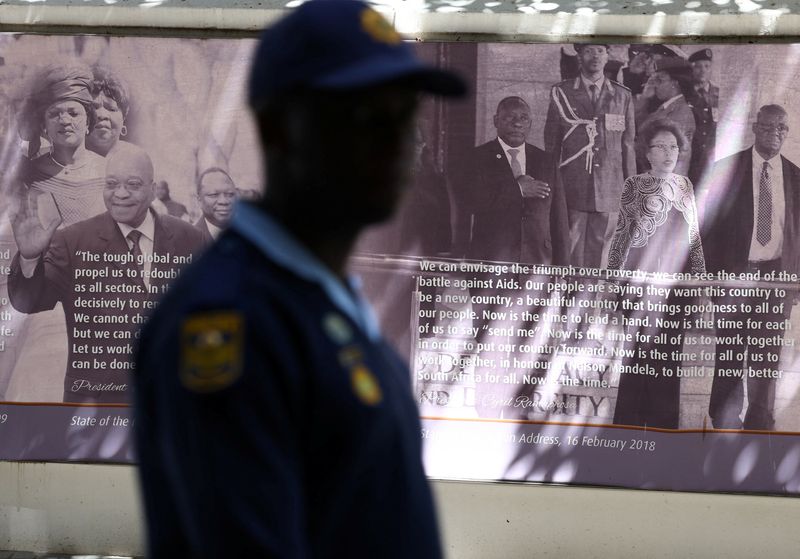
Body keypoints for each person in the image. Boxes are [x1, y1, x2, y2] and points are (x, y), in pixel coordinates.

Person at [133, 1, 465, 557]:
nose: (400, 141)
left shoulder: (316, 298)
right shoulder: (232, 319)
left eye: (406, 114)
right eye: (365, 116)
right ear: (280, 128)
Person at [8, 145, 203, 403]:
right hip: (96, 407)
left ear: (153, 189)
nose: (120, 194)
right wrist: (30, 257)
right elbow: (30, 301)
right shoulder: (73, 240)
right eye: (111, 184)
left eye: (133, 184)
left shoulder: (190, 239)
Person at [703, 104, 800, 430]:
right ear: (755, 128)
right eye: (769, 126)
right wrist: (713, 280)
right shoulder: (727, 169)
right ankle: (724, 423)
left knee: (766, 357)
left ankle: (760, 425)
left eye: (782, 127)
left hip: (777, 279)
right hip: (735, 274)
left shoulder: (796, 176)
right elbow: (708, 229)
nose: (776, 132)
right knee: (730, 351)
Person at [607, 119, 706, 429]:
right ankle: (630, 427)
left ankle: (663, 428)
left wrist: (701, 287)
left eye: (673, 147)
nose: (668, 153)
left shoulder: (685, 186)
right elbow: (622, 235)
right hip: (639, 287)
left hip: (675, 289)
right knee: (637, 357)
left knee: (668, 358)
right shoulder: (634, 185)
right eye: (661, 147)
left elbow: (694, 239)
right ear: (646, 153)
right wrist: (612, 281)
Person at [544, 43, 636, 269]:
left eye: (600, 51)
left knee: (602, 253)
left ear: (607, 56)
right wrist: (550, 186)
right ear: (579, 57)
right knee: (569, 249)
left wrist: (631, 189)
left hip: (609, 189)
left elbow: (627, 146)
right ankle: (568, 301)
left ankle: (592, 303)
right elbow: (552, 145)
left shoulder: (622, 96)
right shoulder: (562, 93)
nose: (594, 56)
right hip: (572, 186)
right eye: (588, 51)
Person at [454, 96, 568, 264]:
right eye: (510, 117)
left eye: (524, 118)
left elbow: (559, 219)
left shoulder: (546, 161)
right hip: (490, 262)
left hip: (537, 264)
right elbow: (470, 202)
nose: (517, 123)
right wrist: (518, 189)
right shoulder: (476, 158)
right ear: (495, 120)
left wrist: (563, 268)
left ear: (530, 123)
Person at [17, 63, 107, 224]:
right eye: (54, 114)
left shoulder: (110, 170)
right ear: (44, 126)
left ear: (88, 122)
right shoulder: (29, 174)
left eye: (73, 113)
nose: (65, 120)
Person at [635, 57, 696, 176]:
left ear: (675, 84)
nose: (654, 85)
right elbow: (641, 128)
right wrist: (645, 98)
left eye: (659, 80)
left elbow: (672, 158)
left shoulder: (680, 113)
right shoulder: (665, 108)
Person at [685, 48, 719, 187]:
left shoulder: (719, 95)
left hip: (712, 157)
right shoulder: (685, 94)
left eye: (706, 66)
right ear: (691, 69)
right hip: (690, 157)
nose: (702, 70)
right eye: (697, 66)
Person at [86, 65, 134, 158]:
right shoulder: (58, 161)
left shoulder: (137, 160)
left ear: (123, 120)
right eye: (94, 108)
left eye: (111, 109)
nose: (102, 115)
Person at [194, 166, 237, 243]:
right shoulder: (187, 240)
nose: (223, 201)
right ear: (199, 201)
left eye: (230, 194)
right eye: (214, 194)